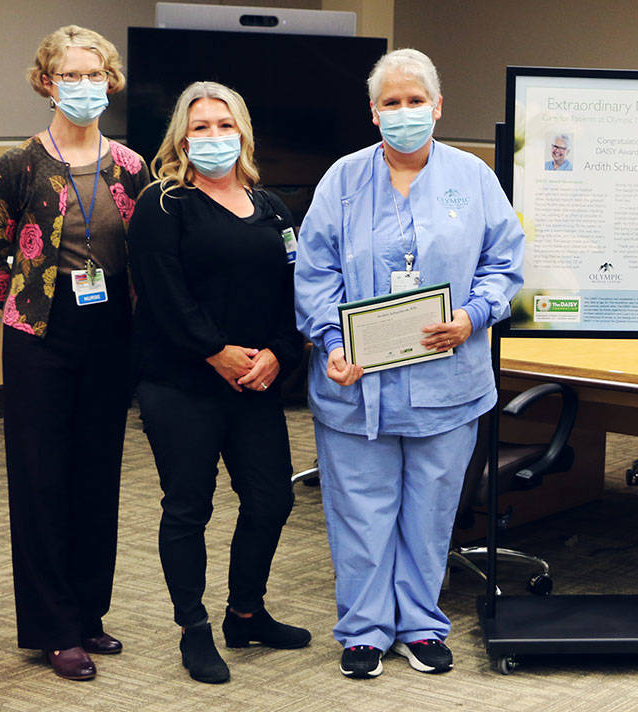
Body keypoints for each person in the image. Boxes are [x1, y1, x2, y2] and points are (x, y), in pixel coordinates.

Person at [295, 48, 524, 680]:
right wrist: (330, 341)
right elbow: (314, 273)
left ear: (438, 106)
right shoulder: (342, 179)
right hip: (356, 382)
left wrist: (473, 316)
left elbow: (503, 265)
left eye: (415, 101)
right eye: (390, 103)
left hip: (447, 379)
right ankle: (364, 630)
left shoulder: (473, 177)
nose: (404, 113)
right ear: (373, 114)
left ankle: (421, 624)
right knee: (361, 511)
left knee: (430, 509)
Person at [0, 25, 147, 682]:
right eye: (69, 75)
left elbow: (143, 256)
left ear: (111, 81)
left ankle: (88, 614)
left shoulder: (129, 167)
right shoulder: (17, 166)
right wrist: (23, 308)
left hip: (111, 335)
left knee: (97, 477)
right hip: (41, 337)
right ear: (46, 82)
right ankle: (53, 628)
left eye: (93, 74)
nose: (83, 86)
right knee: (43, 481)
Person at [128, 81, 310, 685]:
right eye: (200, 127)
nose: (213, 137)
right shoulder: (163, 203)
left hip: (256, 382)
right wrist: (216, 353)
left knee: (271, 499)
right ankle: (194, 628)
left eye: (224, 125)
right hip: (180, 383)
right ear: (182, 137)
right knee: (189, 506)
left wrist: (279, 356)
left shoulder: (275, 208)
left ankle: (246, 612)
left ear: (243, 133)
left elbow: (294, 295)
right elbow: (163, 294)